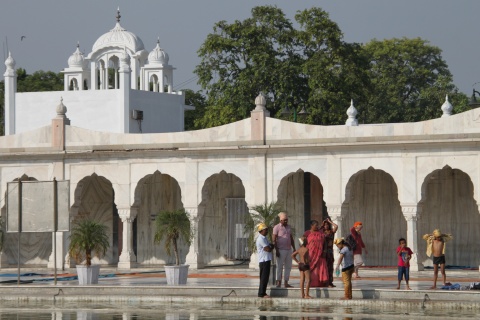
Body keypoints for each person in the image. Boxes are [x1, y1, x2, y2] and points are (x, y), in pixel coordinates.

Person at [272, 212, 296, 288]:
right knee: (279, 266)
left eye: (287, 220)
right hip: (281, 249)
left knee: (288, 266)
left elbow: (291, 238)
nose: (286, 221)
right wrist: (277, 250)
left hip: (289, 249)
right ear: (281, 220)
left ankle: (286, 282)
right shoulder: (276, 227)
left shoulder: (289, 227)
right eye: (284, 220)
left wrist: (294, 248)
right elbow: (274, 239)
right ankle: (278, 282)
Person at [303, 220, 329, 287]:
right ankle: (312, 283)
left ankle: (321, 283)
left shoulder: (321, 233)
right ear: (311, 226)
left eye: (317, 225)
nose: (317, 226)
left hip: (320, 254)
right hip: (310, 254)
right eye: (316, 225)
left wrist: (325, 251)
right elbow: (303, 243)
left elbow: (325, 243)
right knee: (312, 268)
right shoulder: (307, 233)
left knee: (320, 267)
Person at [256, 223, 274, 298]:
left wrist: (270, 246)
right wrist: (270, 247)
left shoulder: (264, 238)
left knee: (265, 277)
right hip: (263, 260)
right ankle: (261, 293)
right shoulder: (260, 239)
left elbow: (270, 246)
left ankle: (263, 292)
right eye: (265, 230)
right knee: (263, 277)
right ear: (261, 231)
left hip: (267, 259)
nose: (267, 231)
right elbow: (268, 249)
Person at [321, 217, 338, 287]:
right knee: (326, 267)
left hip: (330, 251)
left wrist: (330, 221)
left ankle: (330, 282)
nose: (326, 226)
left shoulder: (331, 232)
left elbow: (336, 226)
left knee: (331, 267)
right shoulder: (322, 233)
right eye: (325, 225)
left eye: (327, 225)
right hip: (324, 251)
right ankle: (326, 282)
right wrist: (322, 224)